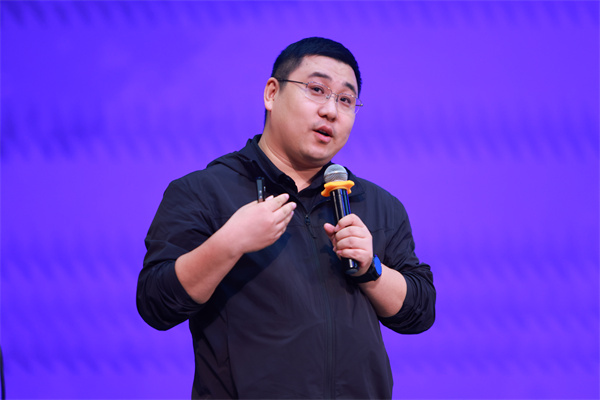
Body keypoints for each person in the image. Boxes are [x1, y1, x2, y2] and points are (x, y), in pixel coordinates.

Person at [137, 37, 436, 399]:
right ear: (272, 93)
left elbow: (420, 312)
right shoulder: (204, 192)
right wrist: (229, 244)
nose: (331, 111)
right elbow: (156, 304)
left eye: (345, 100)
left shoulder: (373, 203)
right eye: (317, 90)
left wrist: (371, 269)